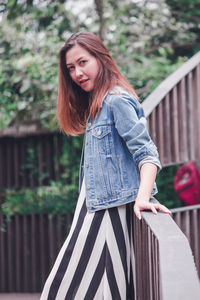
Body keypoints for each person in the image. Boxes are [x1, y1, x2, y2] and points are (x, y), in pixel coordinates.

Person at [40, 31, 171, 300]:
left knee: (64, 289)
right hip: (92, 209)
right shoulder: (97, 104)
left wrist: (143, 198)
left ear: (100, 58)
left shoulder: (116, 100)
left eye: (83, 62)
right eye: (71, 68)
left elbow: (147, 153)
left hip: (108, 214)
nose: (77, 73)